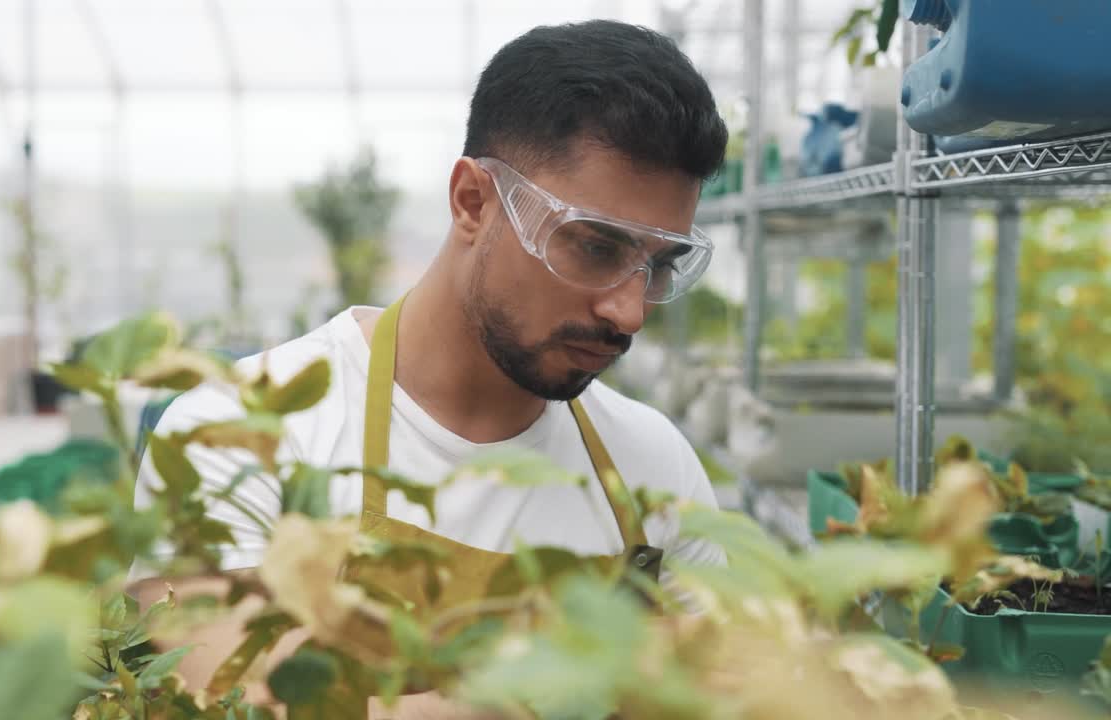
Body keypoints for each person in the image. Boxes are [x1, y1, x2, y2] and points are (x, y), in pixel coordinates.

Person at [130, 17, 728, 715]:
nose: (629, 312)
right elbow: (231, 700)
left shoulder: (653, 467)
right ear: (472, 201)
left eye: (658, 266)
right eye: (595, 248)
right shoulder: (239, 432)